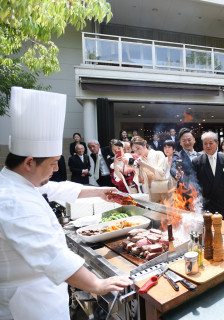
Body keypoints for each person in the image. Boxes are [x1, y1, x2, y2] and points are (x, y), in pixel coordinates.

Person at [0, 87, 132, 320]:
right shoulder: (12, 201)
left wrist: (100, 192)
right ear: (29, 162)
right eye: (52, 164)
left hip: (40, 296)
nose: (55, 170)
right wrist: (97, 284)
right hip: (31, 305)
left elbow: (56, 188)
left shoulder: (18, 182)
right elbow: (52, 257)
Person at [192, 131, 224, 220]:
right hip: (204, 205)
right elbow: (194, 185)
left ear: (217, 143)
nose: (208, 146)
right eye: (205, 144)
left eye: (211, 143)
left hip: (221, 203)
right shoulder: (196, 162)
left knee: (221, 231)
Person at [131, 136, 166, 202]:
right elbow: (140, 181)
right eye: (134, 150)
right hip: (149, 192)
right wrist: (137, 170)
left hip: (161, 190)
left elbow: (162, 173)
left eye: (138, 148)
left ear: (144, 145)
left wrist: (146, 165)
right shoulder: (139, 161)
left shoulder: (158, 154)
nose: (137, 152)